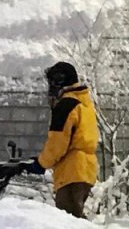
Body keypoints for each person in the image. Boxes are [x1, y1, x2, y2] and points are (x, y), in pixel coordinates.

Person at [24, 61, 98, 218]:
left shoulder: (66, 106)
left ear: (58, 82)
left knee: (68, 221)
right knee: (75, 218)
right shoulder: (84, 103)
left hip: (72, 172)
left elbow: (57, 143)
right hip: (86, 170)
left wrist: (41, 163)